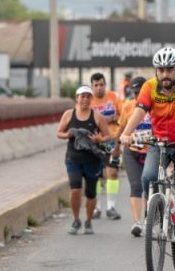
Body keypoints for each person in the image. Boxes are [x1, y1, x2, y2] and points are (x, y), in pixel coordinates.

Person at [120, 46, 175, 259]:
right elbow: (139, 112)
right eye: (161, 70)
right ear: (156, 71)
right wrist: (126, 133)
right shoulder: (149, 87)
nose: (165, 74)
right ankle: (155, 213)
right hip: (160, 144)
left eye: (169, 70)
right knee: (148, 176)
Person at [57, 85, 112, 234]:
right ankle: (76, 220)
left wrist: (99, 139)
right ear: (77, 98)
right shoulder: (69, 114)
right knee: (75, 190)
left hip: (92, 160)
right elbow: (59, 133)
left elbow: (108, 136)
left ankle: (88, 221)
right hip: (73, 159)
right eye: (82, 96)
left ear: (91, 99)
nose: (85, 99)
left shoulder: (97, 116)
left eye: (88, 96)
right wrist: (69, 134)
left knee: (90, 193)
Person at [118, 76, 152, 236]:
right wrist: (116, 146)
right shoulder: (127, 106)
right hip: (132, 151)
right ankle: (137, 222)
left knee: (149, 187)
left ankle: (149, 217)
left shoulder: (156, 106)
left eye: (140, 92)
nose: (137, 96)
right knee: (136, 186)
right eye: (134, 93)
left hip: (152, 151)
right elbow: (122, 128)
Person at [89, 72, 123, 221]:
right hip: (95, 142)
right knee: (95, 175)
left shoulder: (114, 98)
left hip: (111, 141)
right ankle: (97, 207)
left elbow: (124, 116)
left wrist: (116, 119)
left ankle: (111, 207)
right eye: (95, 85)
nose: (98, 88)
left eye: (101, 84)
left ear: (105, 85)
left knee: (113, 172)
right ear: (92, 86)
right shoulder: (88, 101)